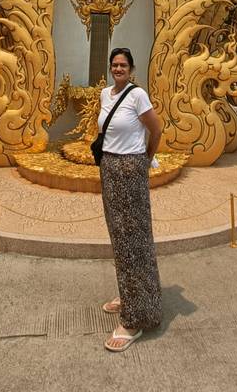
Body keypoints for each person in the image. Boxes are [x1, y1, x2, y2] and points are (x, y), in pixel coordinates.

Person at [98, 47, 163, 352]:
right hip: (109, 167)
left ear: (132, 68)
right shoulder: (104, 94)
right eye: (115, 64)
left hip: (131, 167)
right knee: (119, 237)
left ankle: (134, 319)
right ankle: (130, 294)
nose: (119, 68)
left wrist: (145, 159)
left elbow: (156, 128)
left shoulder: (138, 96)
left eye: (123, 64)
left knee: (133, 239)